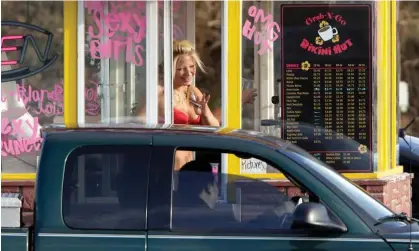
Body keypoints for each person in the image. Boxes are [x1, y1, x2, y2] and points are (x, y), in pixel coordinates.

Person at [137, 40, 220, 170]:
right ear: (170, 69)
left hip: (190, 166)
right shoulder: (161, 92)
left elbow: (215, 128)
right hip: (167, 165)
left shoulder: (193, 92)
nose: (188, 73)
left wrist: (205, 112)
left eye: (191, 67)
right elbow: (139, 125)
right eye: (181, 69)